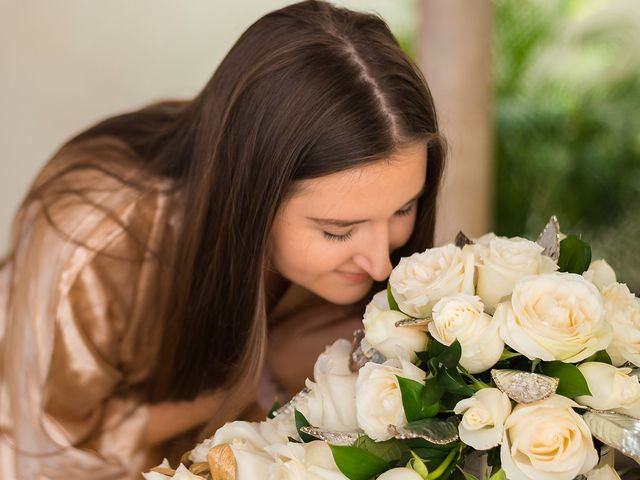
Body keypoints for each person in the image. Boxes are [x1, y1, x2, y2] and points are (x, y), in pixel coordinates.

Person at [0, 0, 446, 478]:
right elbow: (56, 445)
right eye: (338, 231)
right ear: (252, 192)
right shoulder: (97, 239)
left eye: (404, 208)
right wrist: (263, 374)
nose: (382, 264)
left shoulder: (353, 244)